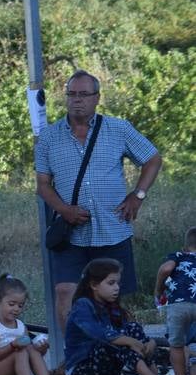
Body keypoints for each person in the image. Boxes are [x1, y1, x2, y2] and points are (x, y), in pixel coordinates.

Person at [36, 70, 163, 339]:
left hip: (112, 228)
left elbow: (152, 159)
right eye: (72, 94)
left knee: (113, 296)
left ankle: (116, 356)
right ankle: (76, 358)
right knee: (65, 292)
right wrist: (64, 210)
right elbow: (43, 185)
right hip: (70, 233)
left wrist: (137, 195)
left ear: (97, 98)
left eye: (84, 95)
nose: (77, 100)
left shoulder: (118, 129)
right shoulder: (49, 137)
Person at [64, 258, 170, 375]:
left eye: (118, 283)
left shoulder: (111, 307)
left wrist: (150, 342)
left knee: (133, 328)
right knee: (118, 342)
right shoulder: (82, 305)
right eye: (111, 283)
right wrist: (130, 341)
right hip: (81, 369)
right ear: (94, 285)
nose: (116, 288)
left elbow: (130, 333)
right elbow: (98, 334)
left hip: (107, 366)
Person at [154, 227, 196, 375]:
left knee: (176, 346)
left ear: (185, 247)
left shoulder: (178, 256)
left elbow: (166, 269)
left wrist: (158, 289)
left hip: (178, 305)